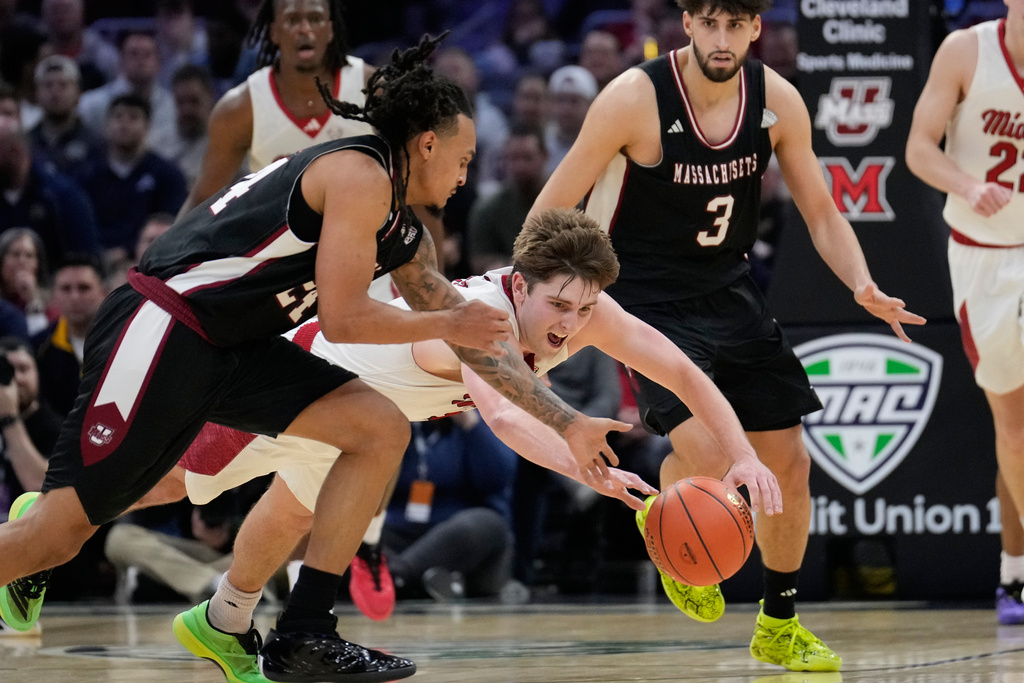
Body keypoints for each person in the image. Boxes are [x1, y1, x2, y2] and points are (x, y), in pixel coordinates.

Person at [0, 35, 625, 683]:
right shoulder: (361, 175)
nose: (469, 174)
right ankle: (46, 538)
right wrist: (447, 320)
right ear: (428, 144)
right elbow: (345, 315)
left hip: (233, 345)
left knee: (377, 427)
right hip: (167, 322)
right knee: (59, 534)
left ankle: (304, 631)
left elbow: (470, 336)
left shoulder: (401, 225)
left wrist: (568, 422)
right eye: (464, 157)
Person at [162, 206, 780, 683]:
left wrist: (743, 455)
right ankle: (59, 544)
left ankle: (223, 620)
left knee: (296, 506)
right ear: (520, 286)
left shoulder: (587, 312)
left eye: (585, 308)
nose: (571, 323)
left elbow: (684, 372)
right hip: (297, 377)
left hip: (356, 417)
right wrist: (584, 466)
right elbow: (507, 419)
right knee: (157, 481)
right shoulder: (484, 315)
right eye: (559, 305)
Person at [528, 0, 927, 672]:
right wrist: (535, 296)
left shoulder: (780, 102)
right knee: (715, 458)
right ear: (686, 24)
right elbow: (550, 209)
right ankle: (666, 514)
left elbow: (822, 210)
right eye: (708, 22)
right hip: (646, 299)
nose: (721, 38)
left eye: (734, 24)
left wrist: (860, 283)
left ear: (754, 28)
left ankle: (778, 622)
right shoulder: (633, 99)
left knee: (788, 467)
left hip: (733, 290)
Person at [905, 4, 1024, 625]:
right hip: (986, 259)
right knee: (1013, 423)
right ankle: (1015, 570)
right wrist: (968, 184)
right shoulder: (966, 52)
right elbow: (919, 150)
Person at [178, 0, 375, 215]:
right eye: (292, 20)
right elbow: (203, 202)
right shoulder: (240, 107)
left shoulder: (372, 88)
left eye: (315, 19)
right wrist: (166, 248)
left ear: (330, 30)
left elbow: (410, 182)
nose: (305, 29)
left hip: (364, 241)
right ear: (273, 32)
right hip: (280, 245)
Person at [74, 94, 188, 267]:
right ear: (106, 126)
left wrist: (128, 250)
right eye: (118, 117)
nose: (124, 123)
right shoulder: (86, 174)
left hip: (149, 262)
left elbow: (172, 224)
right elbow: (79, 224)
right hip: (93, 261)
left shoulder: (167, 174)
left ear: (147, 126)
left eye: (133, 117)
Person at [33, 254, 107, 418]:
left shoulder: (122, 341)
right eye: (66, 289)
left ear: (103, 292)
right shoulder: (39, 348)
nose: (74, 297)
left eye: (84, 288)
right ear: (53, 296)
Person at [28, 55, 104, 178]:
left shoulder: (96, 143)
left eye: (63, 85)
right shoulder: (27, 143)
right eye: (48, 85)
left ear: (78, 94)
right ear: (36, 94)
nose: (55, 92)